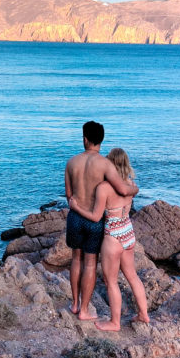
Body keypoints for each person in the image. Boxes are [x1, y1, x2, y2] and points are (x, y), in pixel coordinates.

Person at [69, 147, 149, 332]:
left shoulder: (104, 188)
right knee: (132, 275)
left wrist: (75, 207)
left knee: (110, 281)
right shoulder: (130, 184)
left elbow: (96, 217)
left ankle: (115, 322)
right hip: (128, 232)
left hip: (113, 236)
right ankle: (144, 314)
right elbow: (132, 192)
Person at [65, 122, 139, 321]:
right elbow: (123, 190)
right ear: (101, 140)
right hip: (94, 221)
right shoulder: (105, 164)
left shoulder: (71, 162)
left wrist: (76, 206)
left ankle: (74, 304)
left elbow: (69, 196)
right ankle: (84, 310)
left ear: (85, 139)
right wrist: (135, 190)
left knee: (75, 259)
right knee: (90, 263)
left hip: (74, 218)